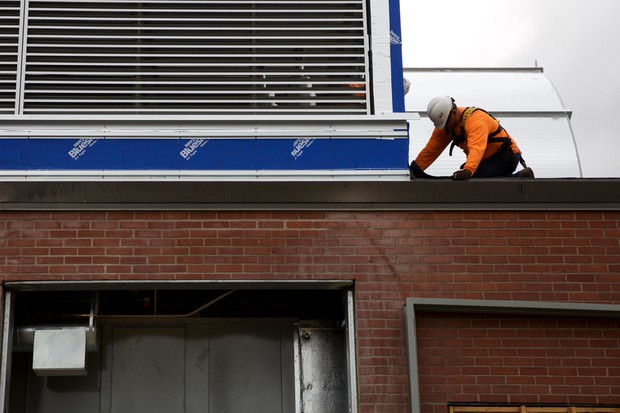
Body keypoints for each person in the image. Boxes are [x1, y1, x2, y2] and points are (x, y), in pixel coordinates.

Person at [411, 96, 534, 180]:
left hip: (505, 156)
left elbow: (476, 148)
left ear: (454, 112)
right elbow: (431, 150)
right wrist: (415, 169)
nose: (445, 127)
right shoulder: (445, 127)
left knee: (475, 180)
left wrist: (468, 171)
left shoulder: (476, 120)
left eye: (446, 122)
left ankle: (522, 177)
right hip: (485, 159)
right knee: (466, 177)